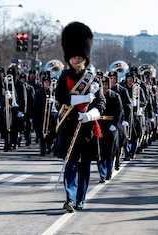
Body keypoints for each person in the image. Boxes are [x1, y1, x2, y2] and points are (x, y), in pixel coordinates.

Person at [55, 22, 106, 212]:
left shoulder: (94, 79)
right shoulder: (64, 76)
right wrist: (83, 98)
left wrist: (90, 115)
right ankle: (69, 197)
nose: (76, 60)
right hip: (68, 125)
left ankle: (80, 199)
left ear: (85, 58)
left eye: (79, 56)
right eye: (73, 57)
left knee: (84, 166)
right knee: (70, 164)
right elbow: (60, 97)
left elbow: (101, 103)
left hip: (87, 128)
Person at [97, 75, 123, 182]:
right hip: (99, 124)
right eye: (102, 84)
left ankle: (108, 172)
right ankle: (102, 174)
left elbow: (119, 111)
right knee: (99, 151)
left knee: (110, 151)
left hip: (111, 125)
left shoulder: (115, 96)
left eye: (106, 84)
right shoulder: (97, 96)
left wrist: (115, 124)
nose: (104, 87)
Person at [108, 70, 132, 170]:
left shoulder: (122, 90)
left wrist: (126, 119)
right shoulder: (104, 90)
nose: (112, 80)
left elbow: (128, 106)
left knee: (119, 140)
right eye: (111, 78)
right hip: (107, 119)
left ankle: (117, 158)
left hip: (119, 119)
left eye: (114, 79)